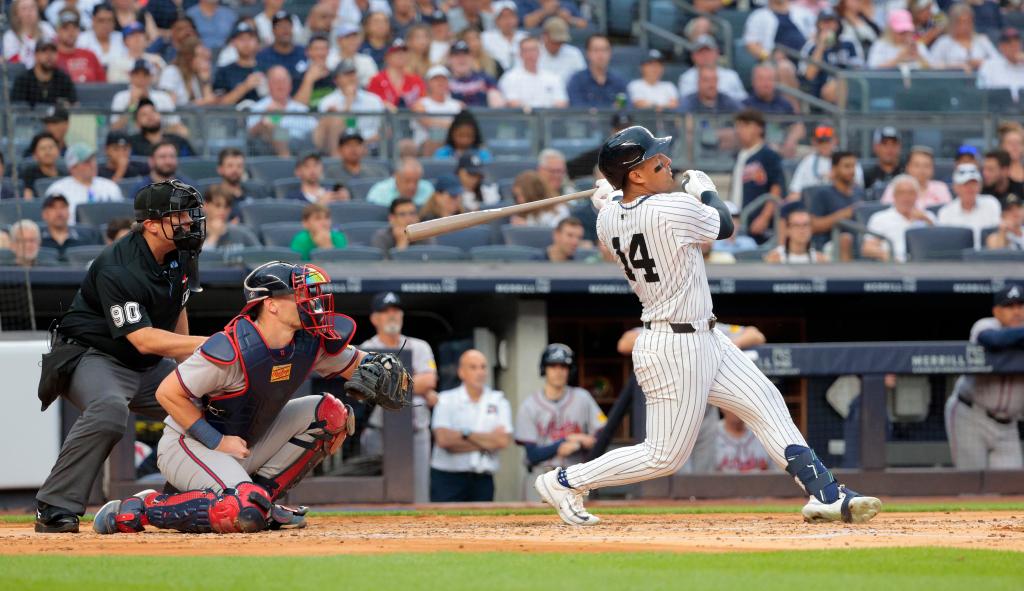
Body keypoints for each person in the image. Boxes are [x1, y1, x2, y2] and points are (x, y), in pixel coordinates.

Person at [534, 126, 882, 526]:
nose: (667, 164)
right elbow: (725, 225)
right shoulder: (669, 208)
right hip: (674, 345)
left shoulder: (608, 220)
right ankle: (564, 480)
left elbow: (621, 208)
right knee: (663, 455)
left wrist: (610, 197)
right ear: (636, 175)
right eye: (655, 161)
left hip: (703, 336)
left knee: (765, 400)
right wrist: (705, 191)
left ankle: (825, 492)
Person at [91, 262, 414, 535]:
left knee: (332, 414)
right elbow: (168, 393)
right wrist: (216, 441)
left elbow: (356, 364)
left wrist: (377, 369)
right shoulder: (231, 349)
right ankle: (142, 507)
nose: (309, 302)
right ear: (270, 304)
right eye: (298, 295)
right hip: (190, 446)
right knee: (242, 511)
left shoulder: (309, 343)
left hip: (245, 442)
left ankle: (262, 501)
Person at [33, 180, 207, 533]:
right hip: (92, 355)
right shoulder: (119, 265)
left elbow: (179, 309)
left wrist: (193, 374)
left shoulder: (183, 252)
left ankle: (209, 495)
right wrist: (208, 345)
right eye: (179, 215)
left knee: (208, 406)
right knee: (111, 410)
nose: (189, 222)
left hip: (145, 364)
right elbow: (142, 339)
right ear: (152, 224)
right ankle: (54, 506)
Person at [359, 291, 439, 503]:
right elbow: (370, 387)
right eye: (385, 312)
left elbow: (429, 381)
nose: (392, 315)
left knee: (420, 495)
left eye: (395, 311)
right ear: (375, 318)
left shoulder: (420, 346)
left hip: (416, 433)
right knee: (378, 496)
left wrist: (390, 381)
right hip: (380, 432)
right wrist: (417, 386)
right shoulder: (366, 349)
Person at [944, 285, 1024, 471]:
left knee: (1010, 489)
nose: (1017, 312)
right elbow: (994, 341)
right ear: (996, 311)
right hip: (971, 415)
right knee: (970, 485)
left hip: (1008, 425)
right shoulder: (986, 325)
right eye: (1009, 306)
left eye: (1021, 306)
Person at [516, 344, 604, 501]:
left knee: (580, 523)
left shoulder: (583, 398)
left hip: (576, 477)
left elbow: (602, 432)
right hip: (540, 477)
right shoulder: (529, 405)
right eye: (553, 366)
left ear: (570, 370)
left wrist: (580, 444)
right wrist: (566, 441)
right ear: (544, 369)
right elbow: (533, 455)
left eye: (563, 366)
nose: (559, 371)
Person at [430, 349, 513, 502]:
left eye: (483, 367)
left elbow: (502, 441)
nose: (480, 372)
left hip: (483, 480)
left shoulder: (498, 400)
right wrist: (487, 441)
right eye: (473, 367)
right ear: (461, 372)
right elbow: (444, 440)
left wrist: (465, 434)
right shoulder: (445, 399)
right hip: (448, 479)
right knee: (444, 525)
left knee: (483, 525)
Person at [730, 109, 784, 242]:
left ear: (759, 128)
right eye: (738, 126)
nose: (739, 130)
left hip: (759, 221)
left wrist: (764, 217)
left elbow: (776, 188)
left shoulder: (769, 155)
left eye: (744, 125)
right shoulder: (739, 155)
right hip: (738, 219)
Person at [245, 66, 318, 158]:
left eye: (284, 81)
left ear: (290, 85)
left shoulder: (300, 108)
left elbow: (315, 128)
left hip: (302, 146)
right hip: (269, 149)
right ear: (268, 85)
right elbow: (250, 133)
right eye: (276, 82)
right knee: (270, 123)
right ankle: (286, 159)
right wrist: (264, 119)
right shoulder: (259, 107)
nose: (280, 85)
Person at [861, 174, 935, 262]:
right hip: (892, 267)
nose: (906, 197)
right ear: (894, 195)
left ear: (917, 195)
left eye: (911, 193)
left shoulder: (928, 216)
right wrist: (889, 256)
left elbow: (940, 245)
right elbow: (867, 248)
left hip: (925, 265)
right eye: (901, 193)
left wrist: (927, 221)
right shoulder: (880, 218)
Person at [315, 60, 387, 149]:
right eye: (346, 74)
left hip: (371, 147)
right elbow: (328, 133)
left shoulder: (373, 100)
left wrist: (361, 144)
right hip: (341, 148)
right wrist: (348, 103)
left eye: (353, 74)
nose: (351, 77)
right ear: (336, 80)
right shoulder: (328, 101)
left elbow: (384, 129)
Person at [45, 144, 125, 223]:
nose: (92, 165)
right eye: (86, 162)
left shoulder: (110, 187)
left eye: (93, 160)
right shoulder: (58, 190)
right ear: (73, 168)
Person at [805, 151, 863, 259]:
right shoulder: (823, 194)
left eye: (853, 166)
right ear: (834, 169)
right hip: (829, 244)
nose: (851, 171)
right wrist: (844, 215)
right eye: (847, 166)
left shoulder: (859, 192)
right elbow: (813, 226)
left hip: (859, 242)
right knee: (845, 239)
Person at [799, 10, 864, 103]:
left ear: (838, 24)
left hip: (849, 85)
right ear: (818, 25)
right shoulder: (810, 46)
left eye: (832, 22)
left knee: (841, 82)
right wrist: (821, 45)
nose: (828, 25)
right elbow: (809, 75)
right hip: (819, 90)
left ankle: (842, 115)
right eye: (824, 22)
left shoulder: (849, 43)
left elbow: (859, 68)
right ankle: (841, 117)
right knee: (834, 85)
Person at [787, 125, 864, 200]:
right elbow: (795, 192)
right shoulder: (808, 162)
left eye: (828, 141)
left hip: (842, 202)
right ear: (814, 142)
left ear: (835, 140)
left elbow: (858, 189)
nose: (824, 145)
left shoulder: (846, 159)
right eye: (820, 141)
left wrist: (837, 178)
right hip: (814, 203)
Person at [937, 163, 1002, 249]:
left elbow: (997, 236)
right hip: (957, 259)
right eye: (965, 184)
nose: (970, 188)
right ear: (956, 187)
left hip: (987, 258)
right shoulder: (945, 212)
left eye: (973, 184)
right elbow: (945, 245)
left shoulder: (991, 204)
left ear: (980, 186)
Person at [497, 36, 568, 109]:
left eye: (534, 50)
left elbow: (561, 102)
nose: (530, 54)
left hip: (550, 118)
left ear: (539, 52)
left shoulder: (553, 77)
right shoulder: (509, 78)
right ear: (520, 54)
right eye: (526, 50)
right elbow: (512, 102)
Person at [411, 66, 464, 156]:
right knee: (435, 139)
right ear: (428, 83)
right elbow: (427, 122)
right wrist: (452, 125)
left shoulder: (458, 105)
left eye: (443, 79)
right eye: (436, 80)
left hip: (452, 144)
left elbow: (465, 125)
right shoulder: (420, 104)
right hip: (425, 146)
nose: (440, 83)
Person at [928, 4, 997, 72]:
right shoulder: (943, 42)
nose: (964, 26)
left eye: (968, 22)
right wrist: (954, 66)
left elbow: (999, 62)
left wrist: (982, 63)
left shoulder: (982, 40)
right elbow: (931, 64)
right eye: (960, 22)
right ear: (953, 23)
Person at [679, 35, 747, 103]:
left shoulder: (731, 76)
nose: (705, 55)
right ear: (693, 56)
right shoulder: (686, 78)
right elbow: (686, 105)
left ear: (717, 53)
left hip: (729, 112)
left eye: (708, 51)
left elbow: (742, 101)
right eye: (700, 52)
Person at [566, 34, 627, 108]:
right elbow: (577, 109)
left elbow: (625, 108)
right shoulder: (577, 80)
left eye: (604, 50)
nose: (600, 54)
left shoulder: (618, 81)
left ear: (610, 53)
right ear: (588, 53)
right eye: (596, 50)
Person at [110, 60, 177, 126]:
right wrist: (131, 105)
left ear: (151, 77)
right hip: (129, 136)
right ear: (130, 76)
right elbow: (115, 128)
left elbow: (175, 125)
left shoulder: (163, 97)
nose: (141, 78)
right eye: (137, 74)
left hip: (156, 135)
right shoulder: (120, 97)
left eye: (145, 75)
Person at [880, 146, 951, 208]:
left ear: (933, 169)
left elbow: (947, 215)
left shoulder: (941, 187)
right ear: (907, 167)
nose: (922, 170)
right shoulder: (895, 186)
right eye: (917, 165)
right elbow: (887, 214)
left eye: (927, 165)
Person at [10, 40, 77, 106]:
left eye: (53, 51)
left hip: (57, 117)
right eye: (44, 51)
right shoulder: (23, 80)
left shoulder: (64, 79)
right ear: (36, 55)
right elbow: (16, 109)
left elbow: (75, 106)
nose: (49, 55)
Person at [212, 23, 264, 106]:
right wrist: (245, 86)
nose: (246, 43)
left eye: (250, 38)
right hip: (232, 117)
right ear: (233, 43)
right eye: (241, 39)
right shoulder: (224, 72)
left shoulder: (267, 69)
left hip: (265, 117)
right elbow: (219, 105)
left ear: (257, 42)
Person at [256, 11, 307, 91]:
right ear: (273, 30)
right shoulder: (263, 56)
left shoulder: (304, 52)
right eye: (280, 26)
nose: (285, 30)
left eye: (288, 25)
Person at [39, 193, 101, 260]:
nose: (59, 212)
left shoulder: (87, 238)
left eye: (63, 207)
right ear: (44, 214)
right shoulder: (36, 240)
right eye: (53, 208)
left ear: (69, 212)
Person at [367, 39, 426, 108]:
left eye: (404, 52)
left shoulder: (416, 80)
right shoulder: (377, 80)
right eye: (396, 52)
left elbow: (424, 103)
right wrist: (384, 104)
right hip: (385, 118)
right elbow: (370, 104)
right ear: (387, 56)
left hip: (411, 117)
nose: (400, 55)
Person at [867, 9, 934, 70]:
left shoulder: (918, 46)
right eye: (901, 32)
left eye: (907, 31)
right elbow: (873, 69)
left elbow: (934, 70)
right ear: (891, 31)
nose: (905, 35)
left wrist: (919, 57)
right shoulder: (880, 46)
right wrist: (898, 58)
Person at [158, 37, 216, 107]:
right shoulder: (171, 72)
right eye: (199, 56)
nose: (202, 61)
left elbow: (209, 104)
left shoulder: (194, 76)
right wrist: (204, 101)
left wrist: (205, 81)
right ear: (188, 57)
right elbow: (168, 106)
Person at [129, 140, 197, 199]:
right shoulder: (140, 189)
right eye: (162, 157)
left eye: (172, 156)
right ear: (151, 161)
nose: (168, 161)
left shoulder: (188, 187)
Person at [128, 98, 195, 157]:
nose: (150, 116)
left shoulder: (178, 141)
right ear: (137, 123)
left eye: (153, 111)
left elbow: (193, 163)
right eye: (144, 114)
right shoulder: (132, 144)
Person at [447, 39, 503, 108]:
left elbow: (498, 104)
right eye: (456, 55)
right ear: (449, 59)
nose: (461, 59)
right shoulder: (442, 80)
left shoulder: (485, 78)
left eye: (465, 55)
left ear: (471, 58)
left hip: (481, 117)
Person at [54, 9, 105, 83]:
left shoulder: (90, 55)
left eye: (75, 27)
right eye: (66, 28)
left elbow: (103, 85)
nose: (71, 32)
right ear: (58, 31)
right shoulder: (53, 57)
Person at [202, 187, 259, 251]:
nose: (222, 211)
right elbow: (200, 259)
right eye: (217, 205)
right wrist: (214, 236)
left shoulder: (243, 233)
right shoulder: (194, 234)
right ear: (205, 206)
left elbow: (260, 256)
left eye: (226, 206)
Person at [3, 0, 57, 69]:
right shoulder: (10, 36)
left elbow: (58, 49)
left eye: (32, 7)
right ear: (16, 13)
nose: (29, 12)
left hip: (48, 71)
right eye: (24, 9)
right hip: (24, 77)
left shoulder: (46, 27)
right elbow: (15, 64)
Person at [977, 28, 1024, 102]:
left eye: (1016, 42)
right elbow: (982, 91)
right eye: (1008, 43)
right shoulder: (989, 65)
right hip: (998, 109)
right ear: (1001, 46)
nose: (1014, 46)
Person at [366, 157, 436, 207]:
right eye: (407, 181)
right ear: (396, 177)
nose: (411, 186)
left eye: (416, 181)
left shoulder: (428, 189)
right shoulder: (379, 192)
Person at [325, 129, 389, 181]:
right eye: (348, 144)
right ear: (340, 149)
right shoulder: (331, 174)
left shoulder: (377, 172)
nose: (353, 148)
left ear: (363, 148)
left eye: (357, 144)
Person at [76, 4, 126, 69]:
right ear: (93, 21)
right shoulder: (81, 40)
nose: (106, 25)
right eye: (101, 21)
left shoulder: (122, 38)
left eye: (109, 20)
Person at [537, 18, 584, 84]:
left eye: (561, 42)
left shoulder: (574, 53)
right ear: (545, 36)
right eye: (555, 41)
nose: (558, 45)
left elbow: (582, 80)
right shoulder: (532, 52)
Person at [292, 34, 334, 109]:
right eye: (316, 49)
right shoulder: (297, 77)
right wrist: (308, 80)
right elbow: (297, 109)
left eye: (323, 49)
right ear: (307, 52)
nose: (320, 53)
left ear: (328, 51)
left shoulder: (336, 77)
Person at [21, 132, 66, 198]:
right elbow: (28, 199)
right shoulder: (29, 175)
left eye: (51, 147)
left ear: (58, 151)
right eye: (43, 148)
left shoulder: (65, 175)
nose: (48, 152)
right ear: (34, 155)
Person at [483, 2, 526, 72]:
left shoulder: (525, 37)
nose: (508, 20)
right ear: (496, 20)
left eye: (511, 16)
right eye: (503, 17)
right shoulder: (485, 37)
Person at [863, 126, 904, 197]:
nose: (889, 149)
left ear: (899, 147)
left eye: (894, 144)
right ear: (875, 147)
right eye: (884, 144)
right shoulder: (865, 176)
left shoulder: (907, 173)